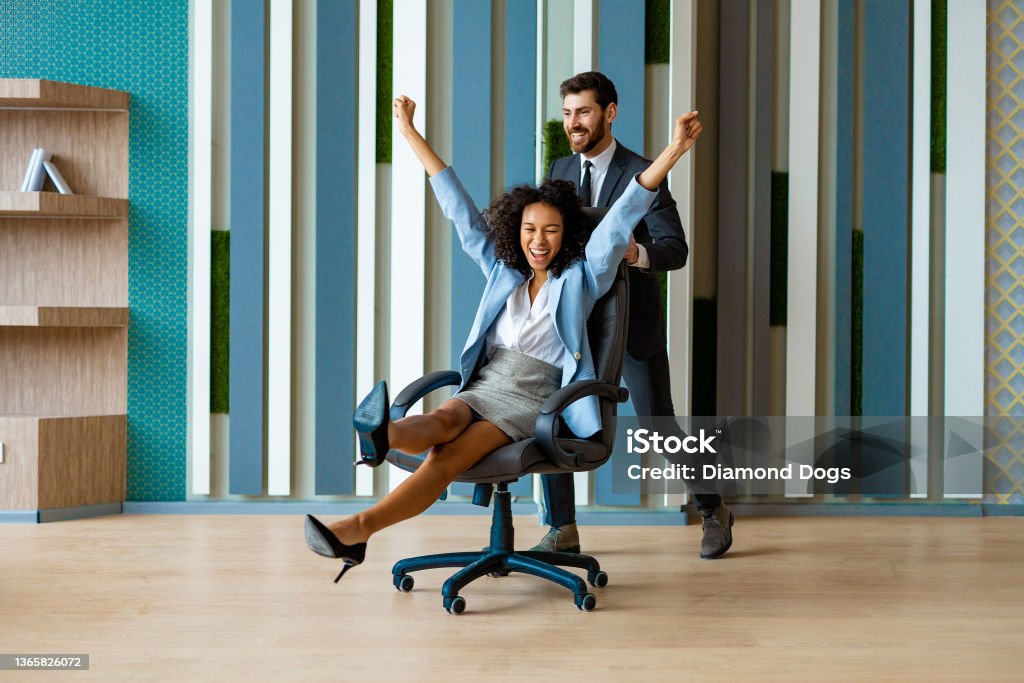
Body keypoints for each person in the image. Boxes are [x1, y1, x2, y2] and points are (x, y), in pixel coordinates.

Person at [304, 95, 702, 580]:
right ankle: (379, 435)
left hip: (536, 394)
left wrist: (675, 149)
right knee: (444, 416)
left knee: (445, 458)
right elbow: (458, 207)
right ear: (515, 231)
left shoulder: (583, 275)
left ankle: (359, 526)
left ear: (567, 236)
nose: (539, 240)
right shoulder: (501, 269)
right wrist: (409, 133)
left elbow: (622, 217)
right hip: (489, 380)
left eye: (551, 231)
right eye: (530, 229)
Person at [535, 71, 734, 560]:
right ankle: (562, 529)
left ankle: (713, 509)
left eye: (582, 112)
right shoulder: (559, 168)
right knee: (550, 418)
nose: (573, 123)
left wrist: (635, 253)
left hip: (630, 321)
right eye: (566, 113)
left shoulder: (645, 170)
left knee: (657, 425)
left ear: (609, 112)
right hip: (572, 322)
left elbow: (675, 249)